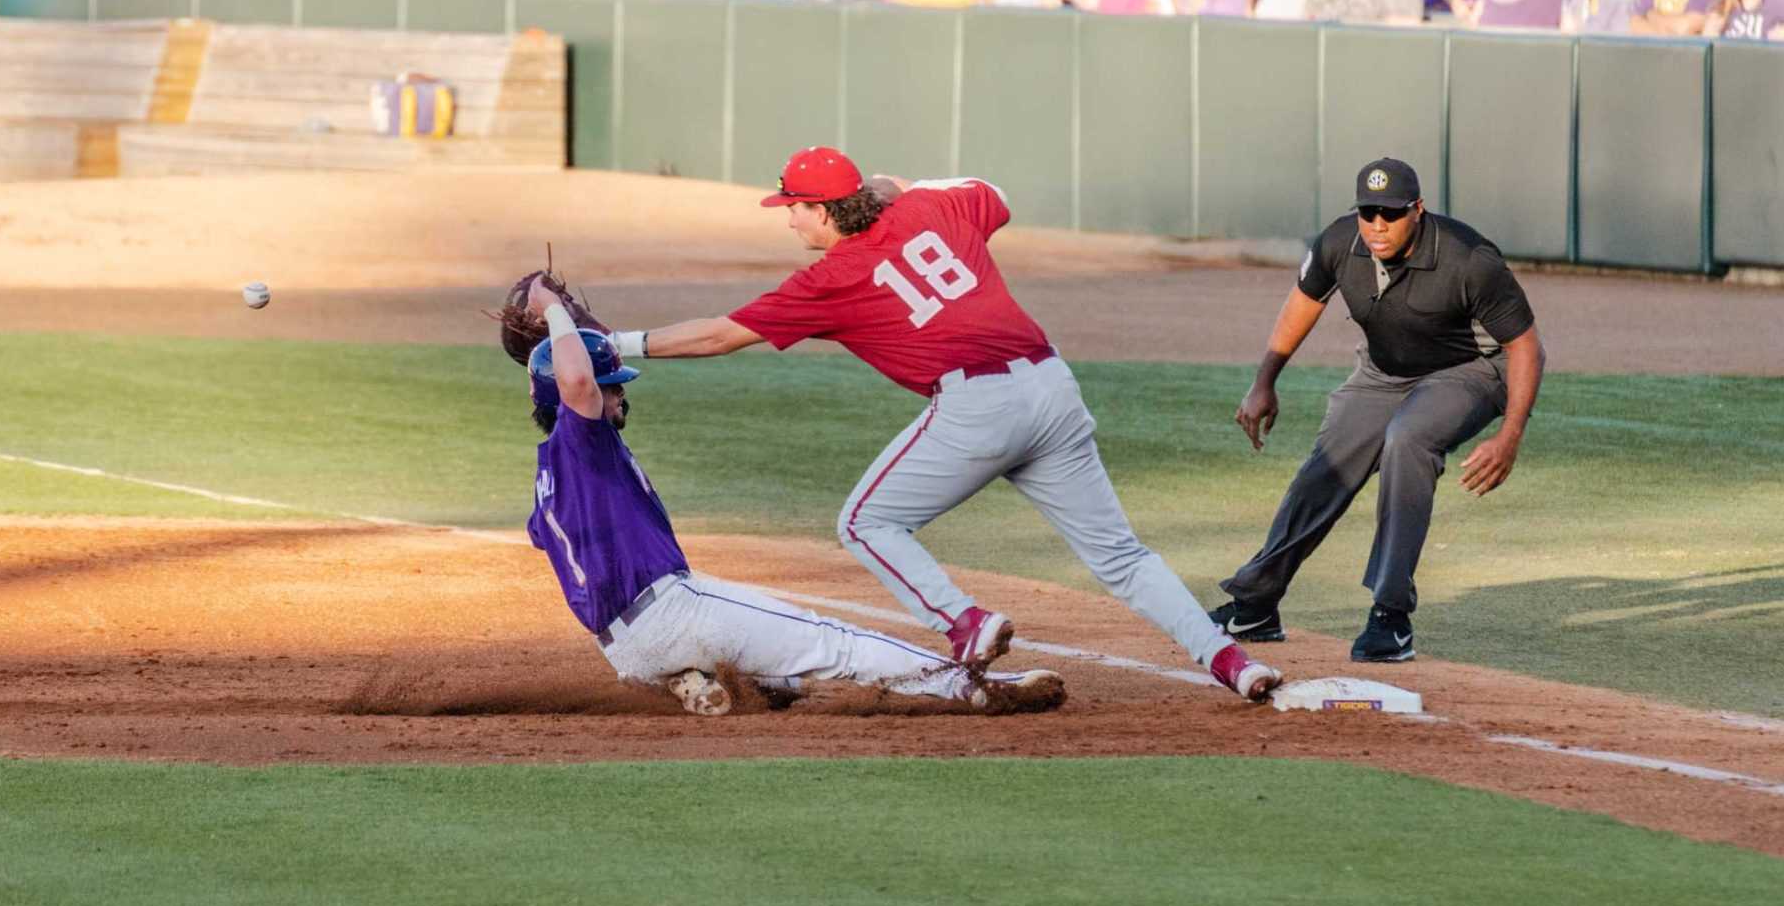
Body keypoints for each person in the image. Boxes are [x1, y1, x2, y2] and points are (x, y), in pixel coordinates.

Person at [607, 146, 1283, 701]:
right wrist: (900, 189)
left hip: (980, 406)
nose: (788, 222)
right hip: (1053, 387)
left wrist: (615, 343)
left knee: (864, 522)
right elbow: (993, 192)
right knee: (1122, 556)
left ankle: (965, 621)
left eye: (794, 209)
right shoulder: (932, 204)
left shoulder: (829, 278)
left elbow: (717, 336)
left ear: (824, 211)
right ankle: (1232, 663)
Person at [515, 280, 1064, 718]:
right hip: (676, 614)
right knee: (836, 643)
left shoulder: (551, 481)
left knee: (783, 685)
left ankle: (695, 678)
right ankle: (972, 687)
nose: (620, 393)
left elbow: (543, 534)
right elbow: (579, 387)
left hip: (625, 651)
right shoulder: (579, 440)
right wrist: (554, 311)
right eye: (616, 386)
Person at [1211, 159, 1544, 663]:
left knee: (1407, 439)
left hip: (1473, 370)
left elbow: (1525, 348)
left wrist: (1511, 435)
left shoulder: (1468, 258)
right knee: (1327, 467)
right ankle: (1257, 602)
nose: (1377, 225)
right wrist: (1264, 382)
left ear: (1417, 210)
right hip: (1384, 372)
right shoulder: (1341, 243)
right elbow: (1302, 302)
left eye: (1390, 213)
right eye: (1368, 212)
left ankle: (1391, 615)